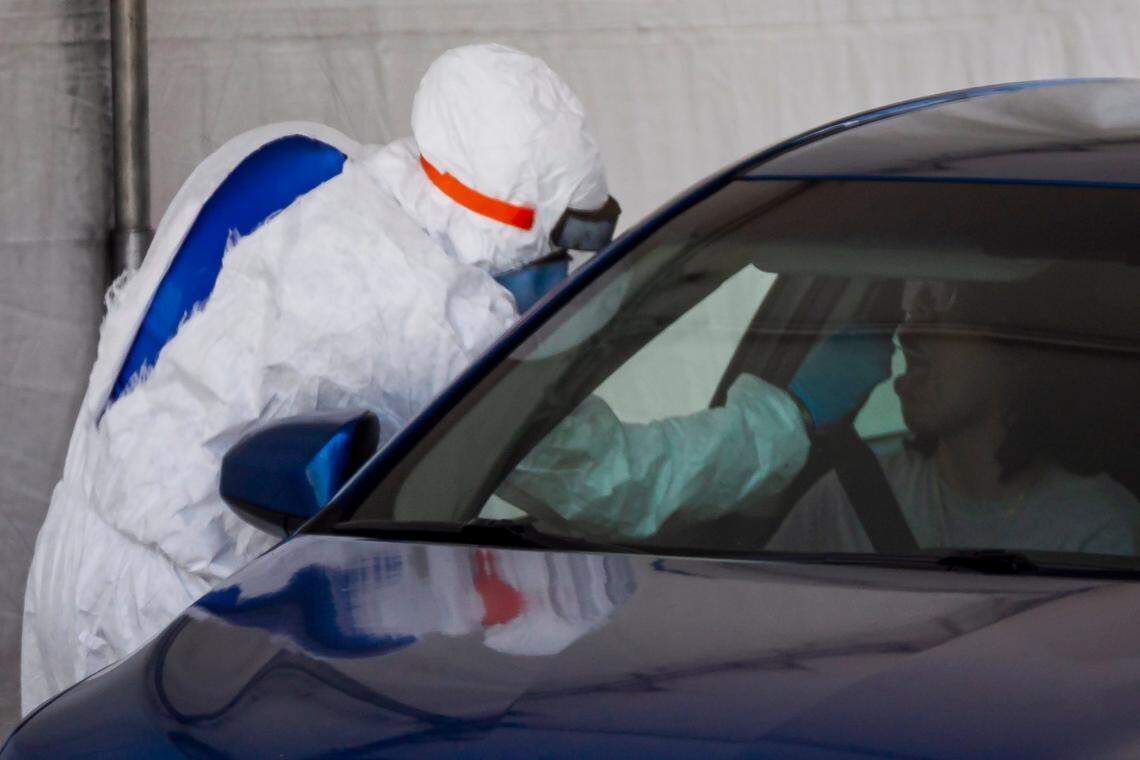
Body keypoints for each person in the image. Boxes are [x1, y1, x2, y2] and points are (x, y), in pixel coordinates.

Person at [22, 43, 618, 712]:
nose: (571, 264)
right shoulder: (443, 323)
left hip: (76, 546)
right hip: (175, 617)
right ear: (519, 219)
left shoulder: (326, 172)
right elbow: (599, 477)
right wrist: (757, 436)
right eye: (570, 237)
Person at [508, 275, 1139, 553]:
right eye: (908, 301)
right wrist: (793, 414)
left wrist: (792, 414)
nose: (909, 329)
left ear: (1020, 348)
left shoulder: (1101, 534)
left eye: (942, 301)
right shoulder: (848, 498)